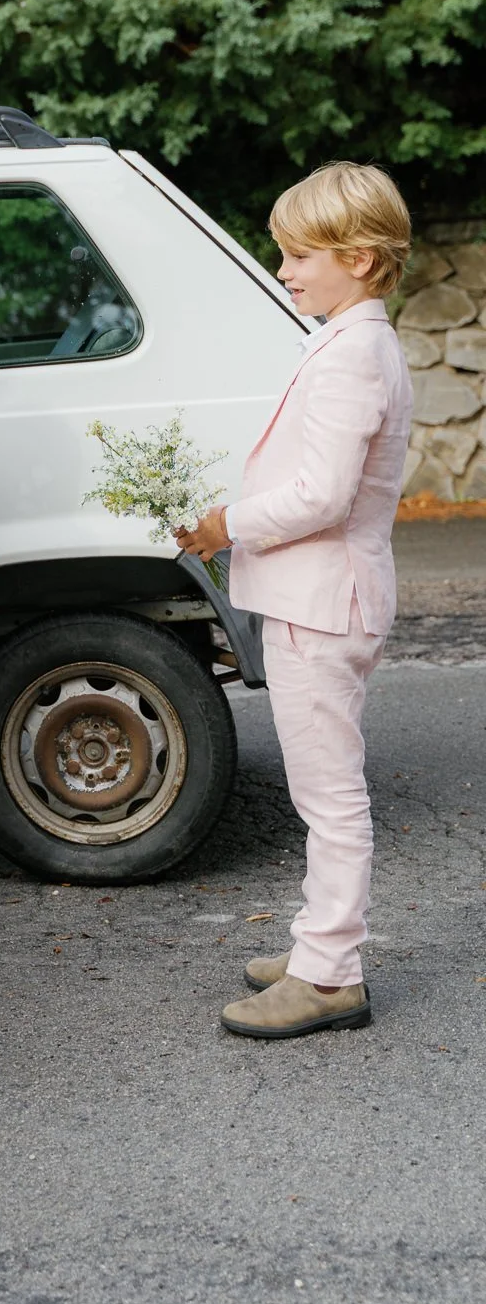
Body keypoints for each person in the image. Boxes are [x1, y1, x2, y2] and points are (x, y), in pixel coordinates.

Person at [175, 162, 413, 1040]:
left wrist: (224, 523)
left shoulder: (356, 351)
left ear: (356, 257)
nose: (283, 272)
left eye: (297, 256)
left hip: (325, 602)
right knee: (326, 790)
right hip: (323, 597)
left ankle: (328, 976)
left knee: (330, 797)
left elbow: (323, 494)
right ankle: (323, 943)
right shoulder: (352, 338)